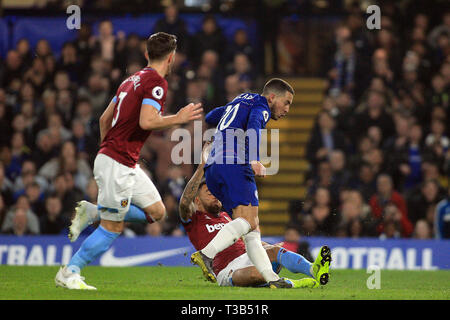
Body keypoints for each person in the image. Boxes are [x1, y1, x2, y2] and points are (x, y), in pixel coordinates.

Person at [54, 32, 203, 290]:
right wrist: (178, 118)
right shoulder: (157, 82)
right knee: (113, 227)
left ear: (147, 54)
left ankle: (94, 212)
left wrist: (108, 150)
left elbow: (104, 120)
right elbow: (147, 121)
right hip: (117, 162)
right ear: (171, 57)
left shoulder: (129, 80)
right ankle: (69, 272)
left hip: (122, 161)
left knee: (156, 212)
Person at [190, 78, 332, 288]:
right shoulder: (261, 105)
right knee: (249, 222)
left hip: (213, 169)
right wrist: (254, 159)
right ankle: (206, 254)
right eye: (287, 102)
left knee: (251, 231)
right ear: (272, 97)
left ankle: (272, 279)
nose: (287, 109)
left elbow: (212, 116)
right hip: (235, 163)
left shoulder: (240, 101)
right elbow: (256, 125)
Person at [179, 143, 325, 288]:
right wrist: (201, 167)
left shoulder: (228, 216)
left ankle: (313, 269)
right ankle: (291, 284)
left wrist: (269, 248)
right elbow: (185, 203)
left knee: (277, 251)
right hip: (227, 268)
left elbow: (249, 240)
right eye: (209, 193)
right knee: (258, 274)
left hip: (248, 256)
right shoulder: (194, 218)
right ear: (197, 200)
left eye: (215, 193)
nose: (215, 196)